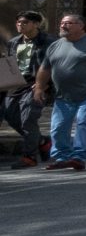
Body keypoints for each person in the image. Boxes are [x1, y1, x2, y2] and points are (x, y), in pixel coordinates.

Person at [34, 14, 86, 171]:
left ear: (81, 26)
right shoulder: (55, 45)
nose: (63, 26)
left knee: (83, 122)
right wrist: (39, 87)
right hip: (63, 95)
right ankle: (62, 157)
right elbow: (45, 68)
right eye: (62, 23)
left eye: (68, 23)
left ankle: (79, 157)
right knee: (58, 127)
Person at [5, 11, 51, 168]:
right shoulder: (13, 42)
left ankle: (29, 156)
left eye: (25, 22)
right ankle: (43, 141)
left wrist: (44, 84)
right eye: (18, 22)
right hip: (16, 85)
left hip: (36, 85)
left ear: (36, 24)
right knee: (10, 115)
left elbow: (53, 64)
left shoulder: (47, 42)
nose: (20, 25)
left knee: (28, 119)